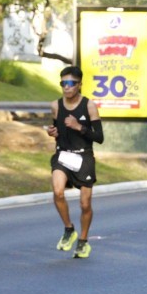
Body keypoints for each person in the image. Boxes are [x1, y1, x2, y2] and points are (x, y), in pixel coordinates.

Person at [46, 65, 103, 259]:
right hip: (63, 155)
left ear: (79, 85)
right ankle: (69, 229)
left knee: (85, 204)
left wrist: (79, 127)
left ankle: (83, 241)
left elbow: (99, 137)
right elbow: (58, 130)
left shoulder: (89, 106)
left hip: (83, 157)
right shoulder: (56, 106)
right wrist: (53, 132)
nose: (66, 87)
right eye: (63, 83)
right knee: (57, 191)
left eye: (71, 83)